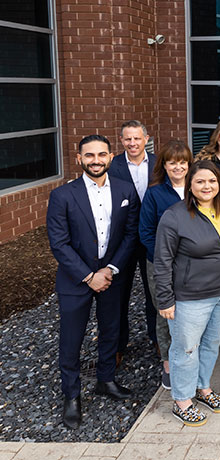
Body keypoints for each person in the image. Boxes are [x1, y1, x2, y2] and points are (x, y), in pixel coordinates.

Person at [47, 134, 139, 429]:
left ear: (111, 157)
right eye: (89, 155)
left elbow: (130, 234)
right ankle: (71, 395)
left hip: (112, 276)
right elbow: (59, 244)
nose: (96, 160)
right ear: (79, 159)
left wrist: (110, 270)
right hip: (76, 280)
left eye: (101, 154)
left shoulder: (126, 190)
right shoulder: (62, 195)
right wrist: (89, 276)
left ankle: (105, 379)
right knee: (72, 340)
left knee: (111, 330)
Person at [155, 160, 220, 427]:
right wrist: (165, 300)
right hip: (189, 298)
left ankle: (203, 388)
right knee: (186, 349)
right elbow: (162, 261)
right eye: (200, 182)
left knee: (210, 345)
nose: (207, 186)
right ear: (190, 186)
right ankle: (182, 401)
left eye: (212, 181)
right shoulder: (175, 216)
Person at [139, 140, 193, 391]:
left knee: (190, 311)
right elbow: (146, 232)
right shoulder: (155, 193)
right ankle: (168, 363)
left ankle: (190, 356)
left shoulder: (197, 189)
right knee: (165, 310)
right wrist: (164, 259)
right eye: (172, 162)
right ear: (164, 165)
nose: (178, 167)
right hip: (161, 264)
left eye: (183, 162)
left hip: (193, 265)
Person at [109, 120, 157, 365]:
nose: (133, 143)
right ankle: (117, 345)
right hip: (122, 240)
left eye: (137, 138)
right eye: (128, 139)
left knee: (154, 292)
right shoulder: (112, 165)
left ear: (146, 139)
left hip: (151, 238)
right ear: (121, 141)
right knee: (119, 294)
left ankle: (157, 339)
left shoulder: (158, 163)